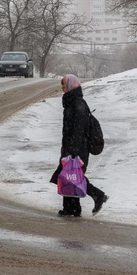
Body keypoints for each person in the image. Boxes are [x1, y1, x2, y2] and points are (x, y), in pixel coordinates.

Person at [50, 74, 109, 217]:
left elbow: (79, 130)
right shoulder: (72, 101)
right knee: (69, 176)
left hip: (77, 148)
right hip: (71, 146)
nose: (63, 88)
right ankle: (72, 208)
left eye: (64, 85)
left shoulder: (78, 104)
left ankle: (97, 195)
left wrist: (73, 151)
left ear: (71, 85)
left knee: (72, 175)